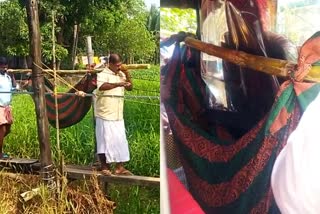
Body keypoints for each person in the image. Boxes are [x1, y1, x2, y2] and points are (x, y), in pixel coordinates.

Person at [95, 53, 133, 176]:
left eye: (120, 64)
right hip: (105, 113)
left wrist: (127, 75)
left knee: (120, 140)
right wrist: (118, 84)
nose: (119, 67)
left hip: (117, 114)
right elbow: (102, 87)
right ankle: (105, 167)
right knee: (104, 140)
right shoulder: (102, 74)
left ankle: (119, 167)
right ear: (110, 64)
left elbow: (130, 88)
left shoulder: (121, 74)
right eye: (117, 65)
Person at [0, 57, 15, 159]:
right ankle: (0, 153)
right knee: (2, 130)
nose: (5, 69)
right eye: (3, 67)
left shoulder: (7, 77)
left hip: (7, 106)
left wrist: (12, 76)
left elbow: (14, 87)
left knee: (8, 130)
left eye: (6, 67)